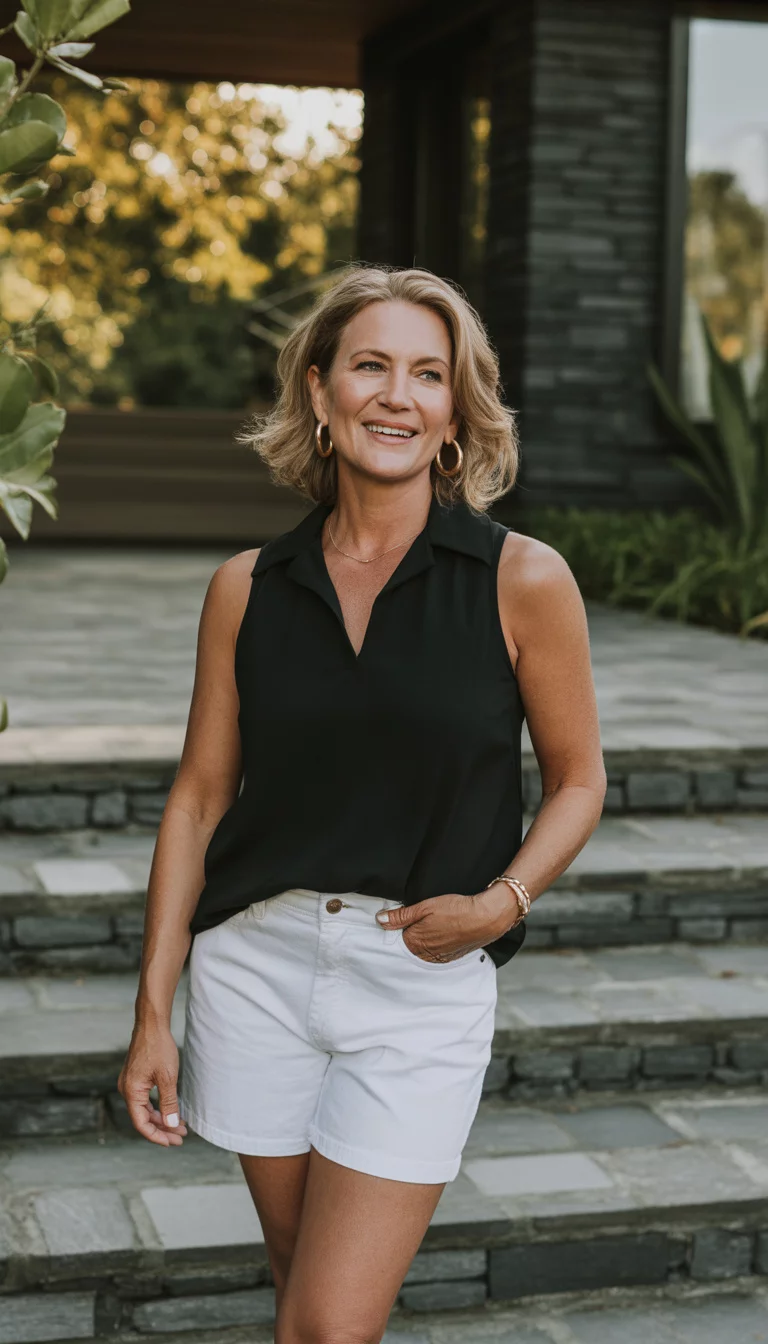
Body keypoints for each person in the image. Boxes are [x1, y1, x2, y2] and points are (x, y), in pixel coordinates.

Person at [118, 264, 607, 1342]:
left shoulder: (522, 579)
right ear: (321, 395)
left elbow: (581, 780)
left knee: (331, 1322)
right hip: (255, 969)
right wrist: (156, 1008)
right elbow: (199, 801)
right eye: (371, 366)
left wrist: (503, 901)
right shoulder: (247, 586)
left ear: (453, 418)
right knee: (306, 1297)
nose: (398, 393)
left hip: (419, 978)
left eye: (428, 374)